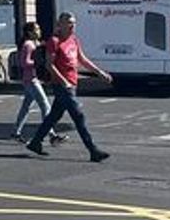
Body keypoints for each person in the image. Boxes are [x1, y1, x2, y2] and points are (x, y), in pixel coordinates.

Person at [26, 12, 112, 162]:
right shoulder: (54, 41)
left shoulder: (73, 40)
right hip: (62, 85)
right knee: (78, 116)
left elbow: (82, 59)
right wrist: (63, 81)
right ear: (61, 24)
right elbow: (49, 64)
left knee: (54, 115)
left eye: (74, 23)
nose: (73, 26)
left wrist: (99, 72)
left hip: (72, 84)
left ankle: (35, 142)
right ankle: (93, 150)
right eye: (69, 23)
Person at [12, 21, 66, 145]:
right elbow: (24, 62)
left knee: (26, 107)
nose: (39, 31)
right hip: (31, 80)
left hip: (31, 79)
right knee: (45, 105)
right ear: (30, 32)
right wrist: (37, 63)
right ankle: (51, 134)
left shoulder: (33, 43)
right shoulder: (28, 44)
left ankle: (16, 132)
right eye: (36, 29)